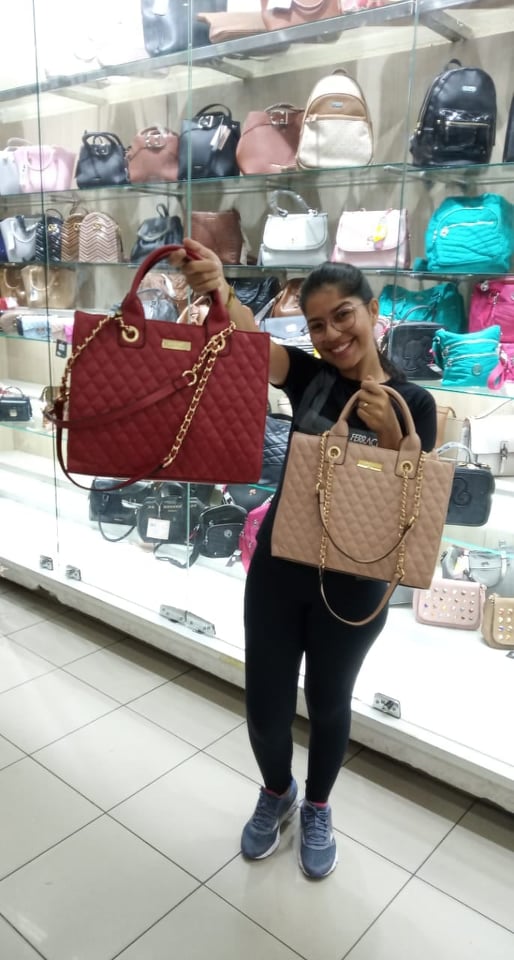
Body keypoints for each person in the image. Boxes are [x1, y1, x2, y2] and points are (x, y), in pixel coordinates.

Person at [169, 239, 436, 880]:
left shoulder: (415, 403)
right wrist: (220, 287)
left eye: (343, 315)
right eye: (318, 325)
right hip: (281, 563)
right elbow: (251, 343)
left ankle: (318, 805)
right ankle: (277, 790)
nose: (333, 335)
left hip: (355, 581)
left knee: (328, 699)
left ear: (372, 310)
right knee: (265, 702)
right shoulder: (312, 378)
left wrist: (392, 434)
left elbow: (416, 499)